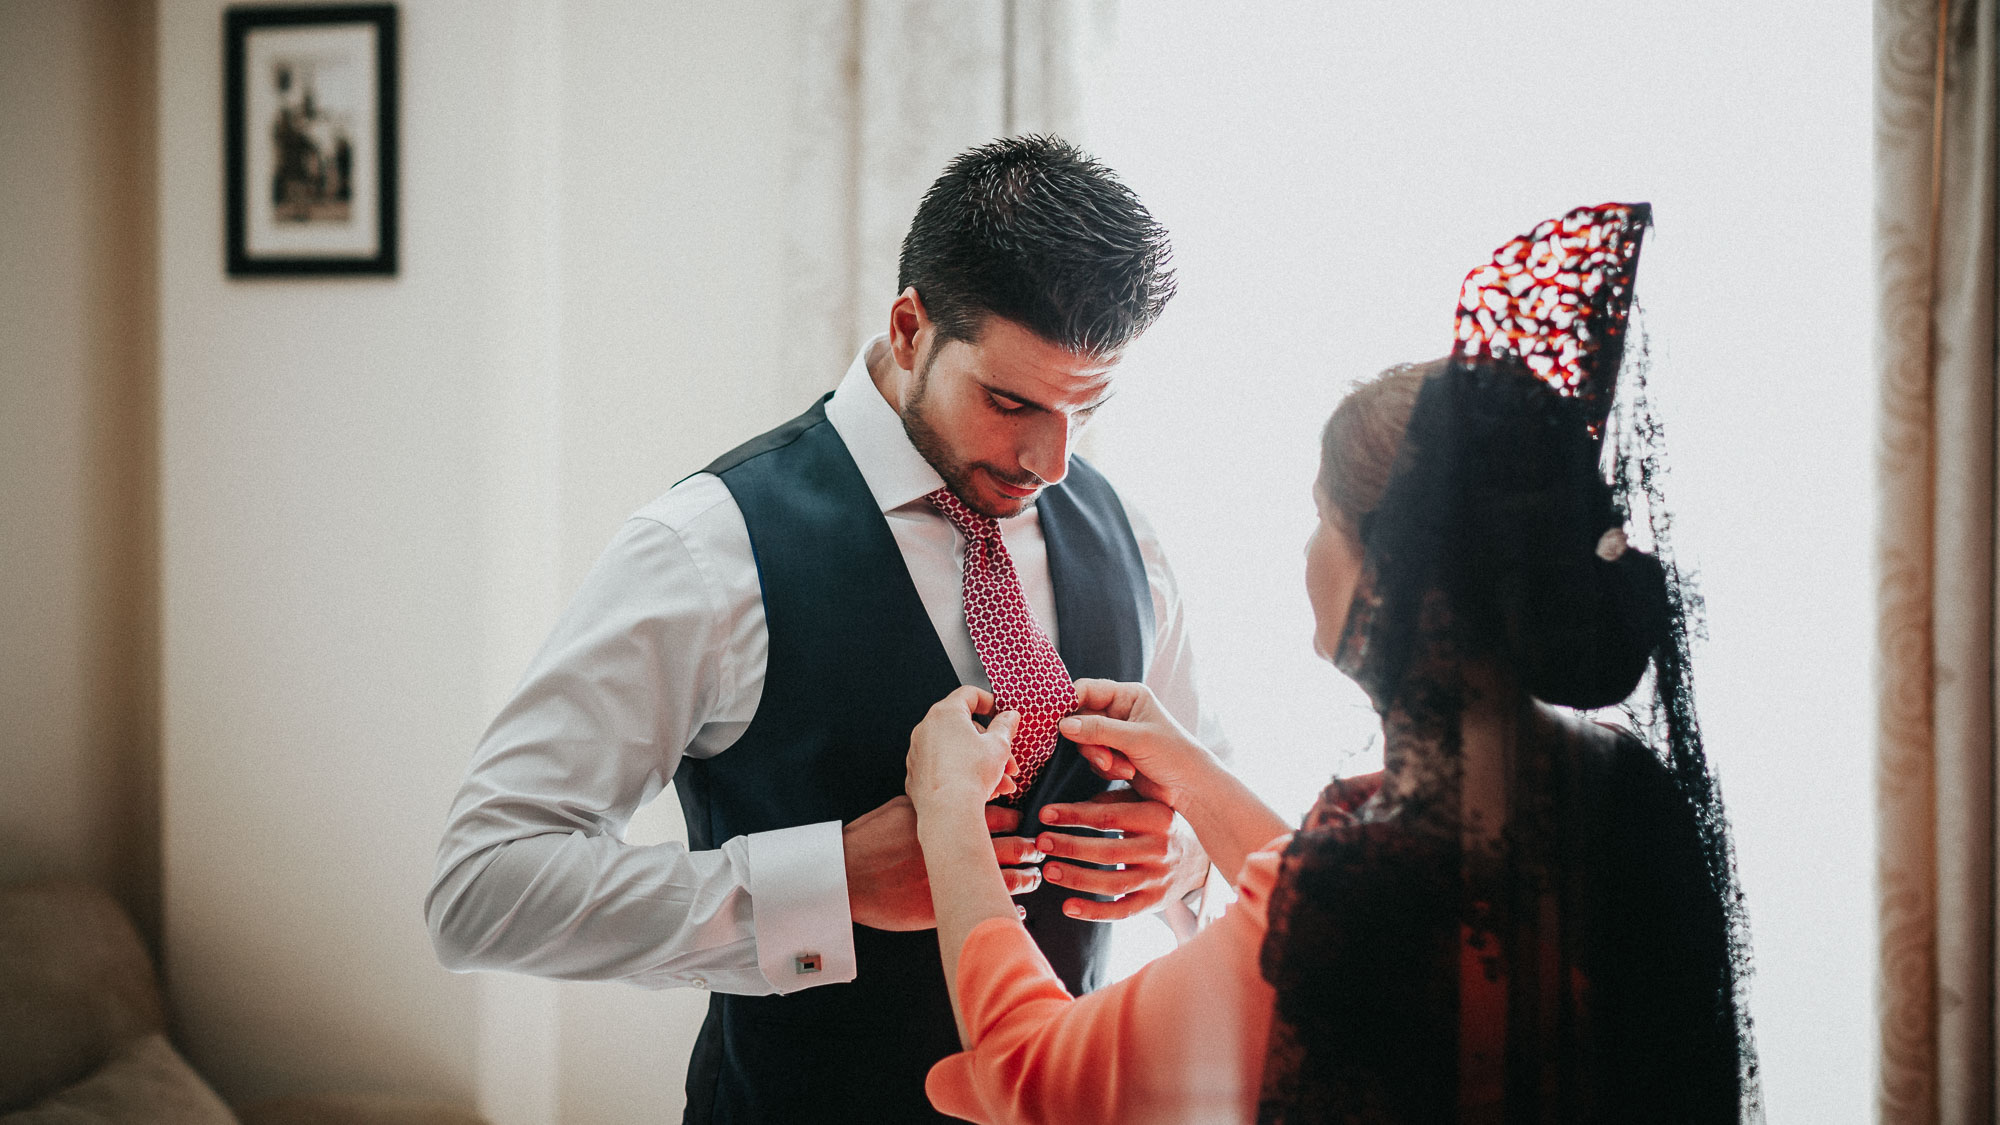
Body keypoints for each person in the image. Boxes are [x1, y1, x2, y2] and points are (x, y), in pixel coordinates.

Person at [424, 135, 1226, 1124]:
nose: (1049, 461)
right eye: (1008, 401)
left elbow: (1220, 815)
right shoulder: (703, 550)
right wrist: (827, 885)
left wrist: (1181, 854)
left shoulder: (1127, 537)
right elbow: (481, 890)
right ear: (907, 327)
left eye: (1084, 407)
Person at [905, 202, 1761, 1123]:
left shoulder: (1359, 891)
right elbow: (1366, 918)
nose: (1306, 550)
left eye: (1322, 517)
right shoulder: (1613, 780)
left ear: (1387, 582)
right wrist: (1193, 775)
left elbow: (1030, 1073)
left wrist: (949, 809)